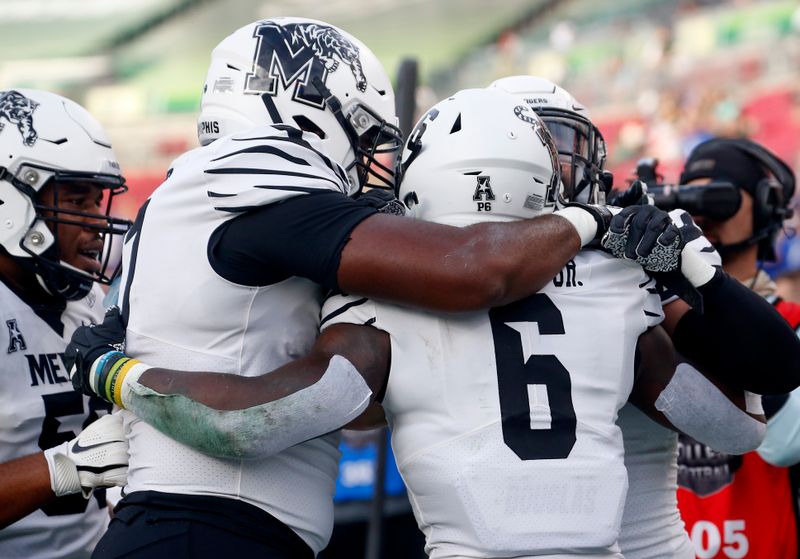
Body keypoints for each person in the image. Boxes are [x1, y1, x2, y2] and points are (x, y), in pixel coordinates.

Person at [61, 17, 698, 558]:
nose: (369, 162)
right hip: (205, 528)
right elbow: (473, 269)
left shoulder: (194, 193)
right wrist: (596, 220)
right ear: (303, 110)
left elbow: (348, 401)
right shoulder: (246, 181)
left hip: (208, 525)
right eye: (362, 133)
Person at [491, 76, 800, 559]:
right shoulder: (440, 271)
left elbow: (764, 422)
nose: (550, 172)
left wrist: (692, 276)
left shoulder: (431, 271)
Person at [0, 89, 131, 558]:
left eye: (99, 202)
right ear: (9, 203)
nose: (97, 222)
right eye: (79, 200)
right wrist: (65, 467)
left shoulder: (90, 304)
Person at [674, 137, 800, 559]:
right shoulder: (655, 321)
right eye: (690, 194)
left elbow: (784, 444)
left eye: (719, 194)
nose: (702, 210)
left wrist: (717, 304)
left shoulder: (795, 322)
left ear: (765, 207)